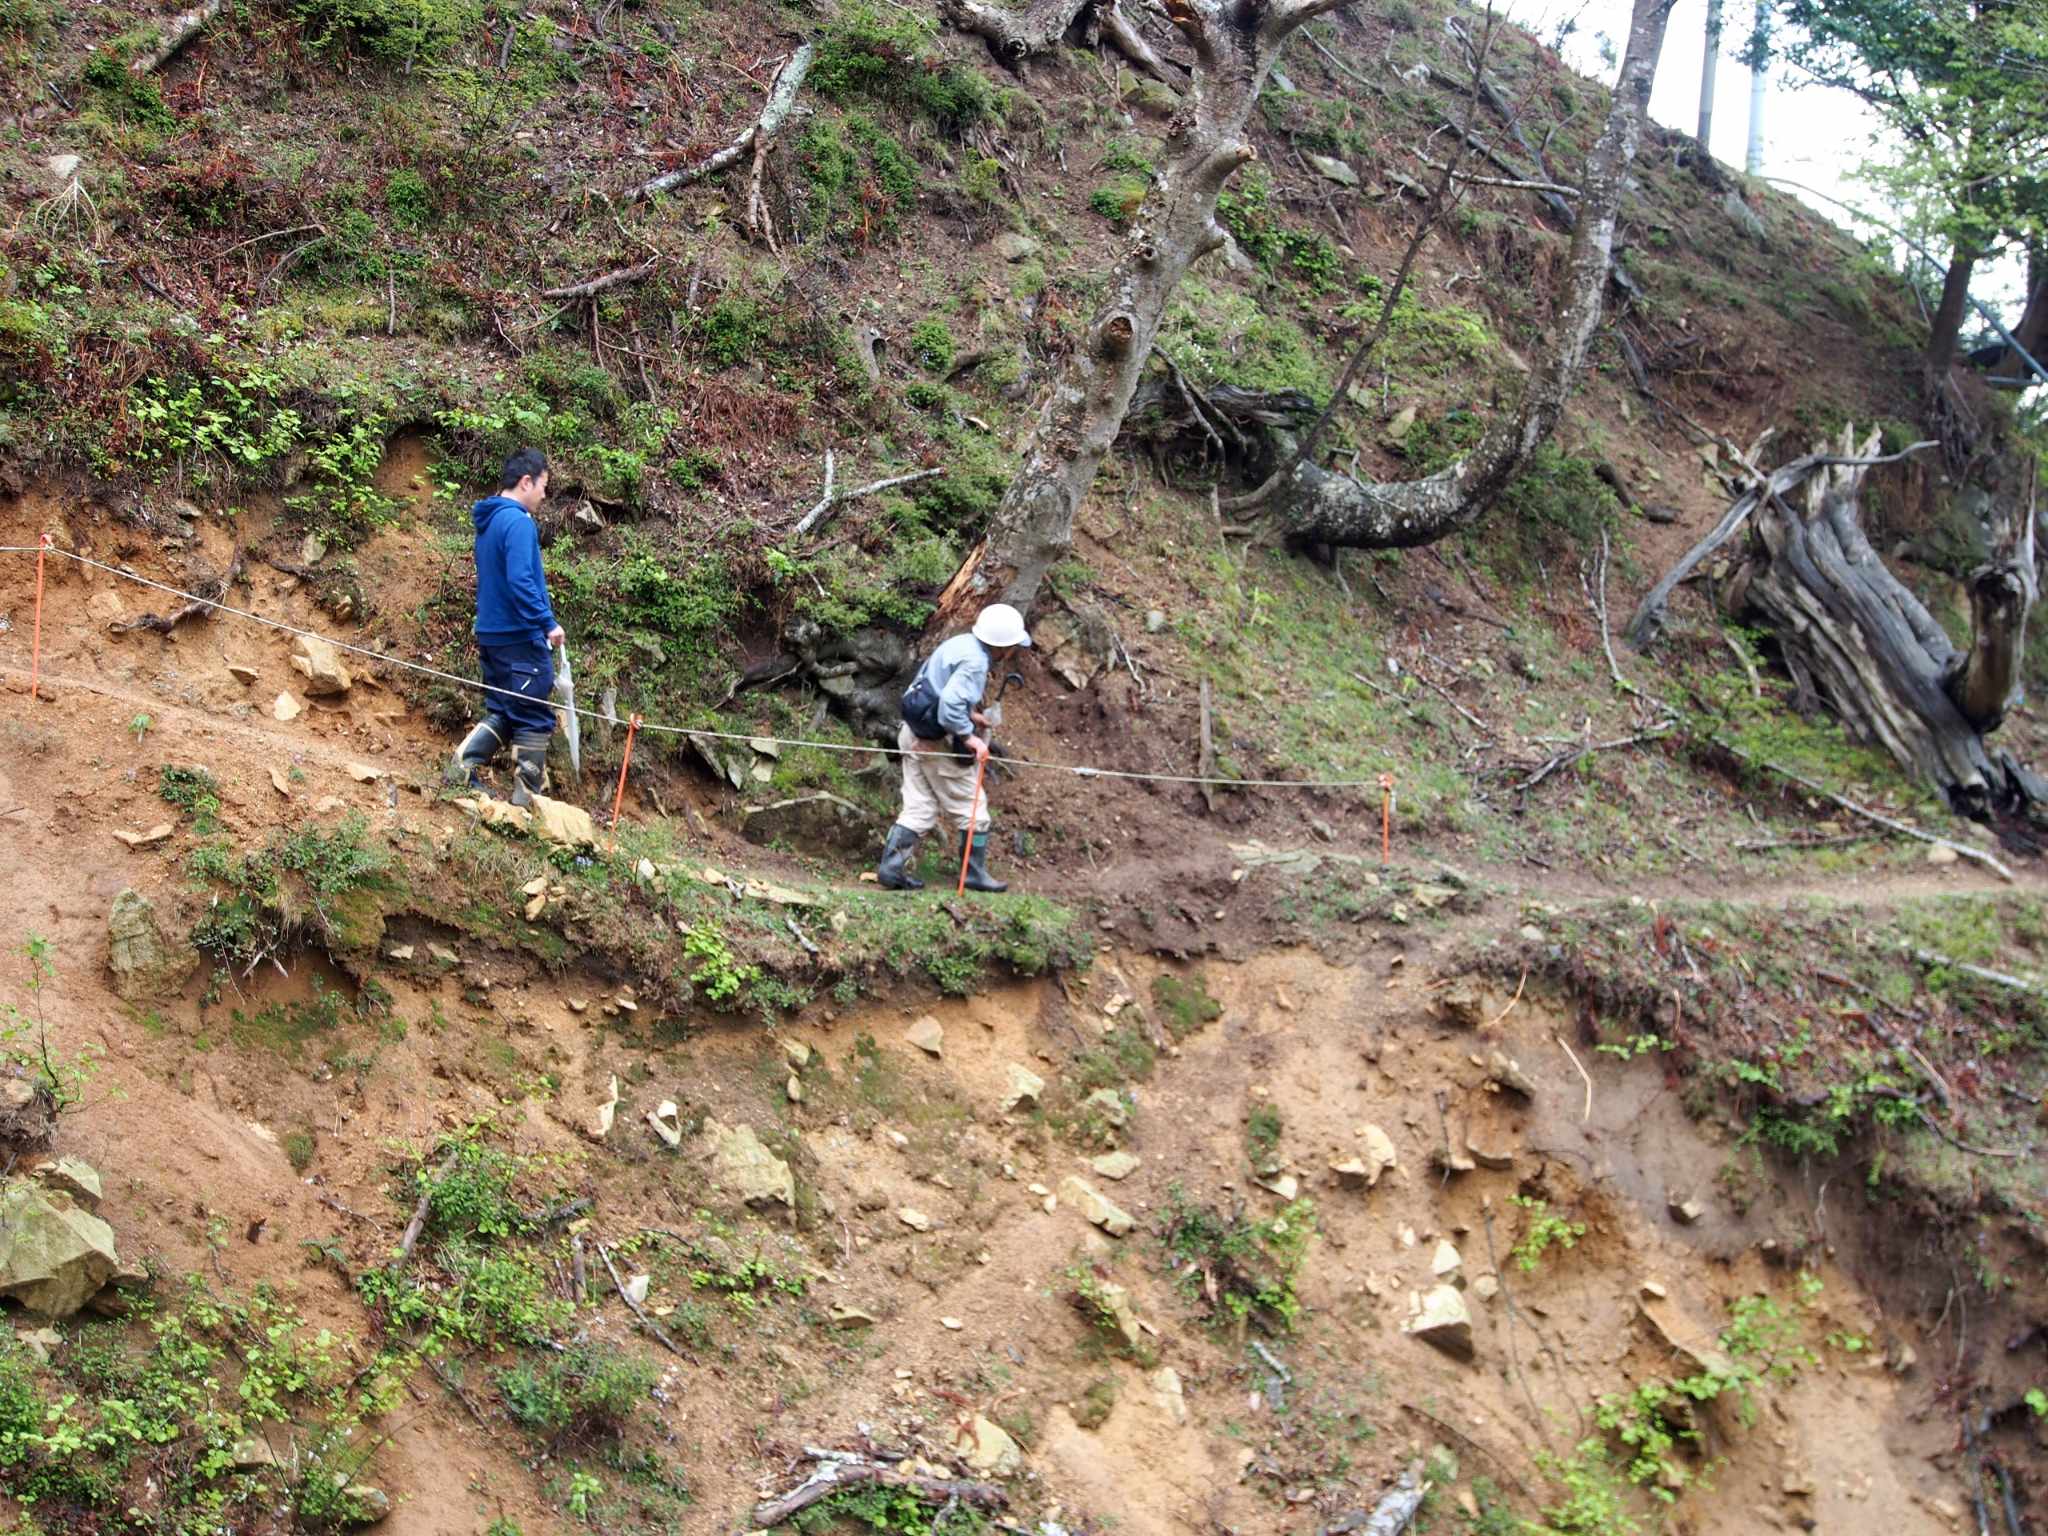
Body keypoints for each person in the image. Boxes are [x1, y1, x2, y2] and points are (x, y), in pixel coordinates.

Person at [876, 603, 1031, 893]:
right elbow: (948, 708)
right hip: (936, 743)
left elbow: (938, 690)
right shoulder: (977, 662)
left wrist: (972, 716)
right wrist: (970, 737)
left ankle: (891, 869)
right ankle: (973, 874)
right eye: (1012, 646)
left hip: (912, 733)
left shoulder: (960, 644)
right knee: (974, 811)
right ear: (1003, 646)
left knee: (919, 807)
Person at [449, 448, 565, 806]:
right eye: (543, 486)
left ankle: (461, 768)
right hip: (519, 635)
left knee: (503, 708)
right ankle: (528, 799)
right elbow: (520, 580)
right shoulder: (517, 522)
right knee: (531, 713)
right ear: (526, 481)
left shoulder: (490, 521)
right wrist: (547, 622)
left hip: (492, 634)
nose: (545, 495)